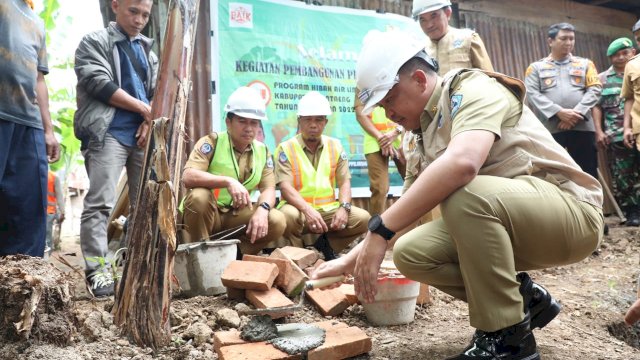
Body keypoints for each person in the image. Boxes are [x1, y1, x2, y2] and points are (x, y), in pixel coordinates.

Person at [314, 29, 604, 359]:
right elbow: (406, 213)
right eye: (380, 106)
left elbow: (463, 163)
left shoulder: (472, 88)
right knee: (412, 252)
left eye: (389, 100)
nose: (386, 114)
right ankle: (524, 300)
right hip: (515, 220)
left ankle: (507, 338)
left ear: (420, 80)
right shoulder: (421, 134)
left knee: (462, 192)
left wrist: (379, 232)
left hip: (571, 213)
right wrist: (351, 260)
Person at [74, 0, 158, 296]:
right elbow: (98, 82)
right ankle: (98, 271)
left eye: (145, 15)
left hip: (140, 137)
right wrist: (144, 109)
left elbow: (156, 95)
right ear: (115, 6)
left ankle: (134, 267)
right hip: (107, 133)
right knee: (100, 204)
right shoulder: (93, 42)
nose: (139, 20)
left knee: (146, 206)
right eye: (133, 12)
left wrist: (149, 123)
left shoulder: (149, 52)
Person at [180, 86, 286, 256]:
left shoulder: (262, 151)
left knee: (277, 219)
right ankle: (202, 255)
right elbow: (188, 176)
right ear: (228, 122)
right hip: (209, 215)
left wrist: (263, 209)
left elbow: (268, 188)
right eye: (242, 121)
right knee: (199, 196)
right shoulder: (212, 142)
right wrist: (228, 181)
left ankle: (233, 255)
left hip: (236, 215)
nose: (249, 128)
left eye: (254, 123)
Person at [275, 91, 370, 261]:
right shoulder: (286, 148)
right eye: (308, 119)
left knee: (362, 218)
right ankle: (298, 257)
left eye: (318, 119)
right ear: (299, 121)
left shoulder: (335, 145)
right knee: (287, 216)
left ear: (325, 122)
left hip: (327, 211)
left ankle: (326, 247)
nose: (313, 125)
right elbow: (285, 187)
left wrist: (344, 207)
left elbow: (345, 182)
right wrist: (307, 210)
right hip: (299, 211)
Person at [0, 0, 60, 257]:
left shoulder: (37, 22)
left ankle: (21, 283)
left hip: (29, 123)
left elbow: (39, 78)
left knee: (27, 212)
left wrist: (48, 129)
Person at [525, 22, 602, 179]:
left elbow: (595, 89)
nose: (568, 43)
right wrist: (558, 112)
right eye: (564, 38)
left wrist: (575, 114)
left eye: (571, 39)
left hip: (582, 128)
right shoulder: (535, 68)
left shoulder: (586, 64)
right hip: (551, 129)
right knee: (553, 174)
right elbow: (532, 94)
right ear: (550, 41)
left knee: (587, 171)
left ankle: (591, 204)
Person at [593, 38, 640, 226]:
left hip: (638, 131)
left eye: (625, 52)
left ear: (633, 52)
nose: (621, 57)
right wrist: (599, 131)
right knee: (624, 175)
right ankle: (632, 212)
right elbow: (596, 106)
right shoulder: (602, 79)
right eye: (615, 55)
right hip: (617, 133)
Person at [411, 0, 494, 74]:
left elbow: (489, 78)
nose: (429, 25)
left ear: (447, 13)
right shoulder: (420, 51)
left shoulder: (469, 39)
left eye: (434, 16)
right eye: (422, 19)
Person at [354, 97, 405, 216]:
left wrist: (397, 132)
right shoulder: (362, 83)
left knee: (417, 182)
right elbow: (360, 114)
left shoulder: (402, 78)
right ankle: (375, 231)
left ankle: (427, 225)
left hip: (401, 134)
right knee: (380, 188)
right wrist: (381, 138)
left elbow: (413, 110)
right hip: (374, 138)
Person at [46, 170, 65, 253]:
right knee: (47, 237)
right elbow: (59, 197)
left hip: (36, 211)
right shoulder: (53, 176)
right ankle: (46, 257)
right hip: (49, 212)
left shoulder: (30, 173)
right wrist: (62, 212)